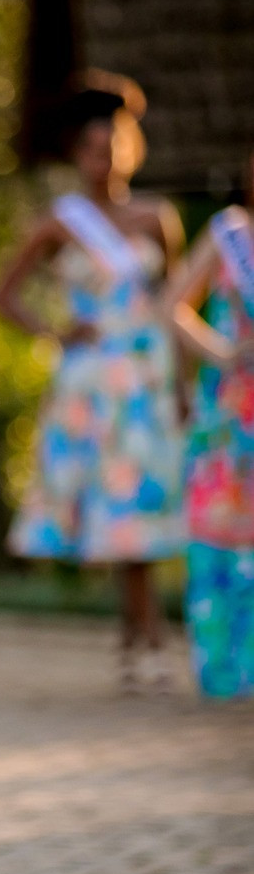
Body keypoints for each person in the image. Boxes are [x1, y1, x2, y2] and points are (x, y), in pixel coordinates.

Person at [0, 75, 186, 691]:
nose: (103, 161)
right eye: (91, 149)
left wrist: (181, 383)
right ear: (77, 155)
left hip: (145, 378)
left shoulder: (158, 218)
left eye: (115, 148)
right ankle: (142, 640)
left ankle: (142, 638)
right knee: (114, 511)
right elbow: (3, 292)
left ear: (132, 150)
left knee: (144, 506)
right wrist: (54, 330)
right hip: (91, 384)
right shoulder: (60, 222)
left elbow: (174, 306)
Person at [168, 151, 254, 698]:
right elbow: (172, 305)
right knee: (220, 534)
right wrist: (222, 352)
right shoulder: (231, 234)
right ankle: (221, 671)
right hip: (230, 417)